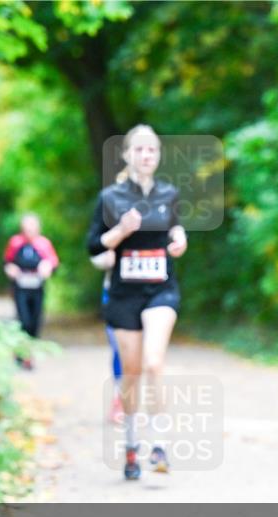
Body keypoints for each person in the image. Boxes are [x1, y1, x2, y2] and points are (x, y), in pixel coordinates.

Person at [86, 124, 188, 480]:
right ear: (128, 155)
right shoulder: (110, 198)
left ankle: (158, 444)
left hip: (161, 289)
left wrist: (178, 239)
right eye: (140, 150)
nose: (146, 156)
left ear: (158, 156)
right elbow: (94, 247)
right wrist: (121, 231)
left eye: (152, 150)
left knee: (154, 363)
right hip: (124, 294)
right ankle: (131, 445)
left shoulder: (168, 194)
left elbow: (175, 228)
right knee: (130, 373)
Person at [3, 213, 59, 369]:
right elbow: (7, 262)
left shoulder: (43, 244)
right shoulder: (16, 243)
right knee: (23, 320)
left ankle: (30, 354)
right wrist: (11, 269)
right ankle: (21, 353)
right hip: (20, 288)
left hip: (37, 288)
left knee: (35, 322)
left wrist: (47, 267)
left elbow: (53, 263)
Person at [90, 249, 125, 423]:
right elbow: (95, 253)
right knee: (119, 348)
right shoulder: (114, 222)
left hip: (149, 295)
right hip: (114, 293)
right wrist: (107, 258)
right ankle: (119, 399)